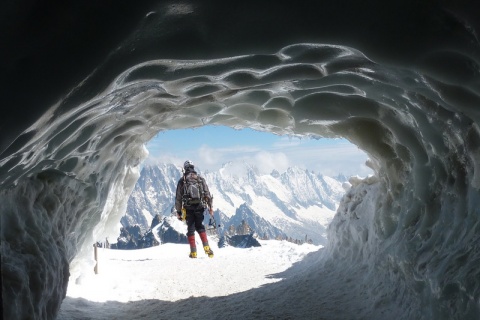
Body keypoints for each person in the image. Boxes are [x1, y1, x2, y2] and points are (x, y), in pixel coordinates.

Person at [175, 160, 215, 258]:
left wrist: (179, 211)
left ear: (185, 168)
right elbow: (207, 194)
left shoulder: (182, 180)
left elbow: (178, 198)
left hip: (188, 208)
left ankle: (193, 252)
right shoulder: (200, 179)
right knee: (200, 226)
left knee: (191, 229)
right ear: (193, 167)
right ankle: (207, 248)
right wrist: (210, 207)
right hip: (200, 206)